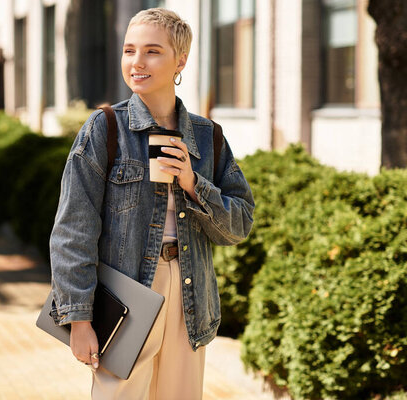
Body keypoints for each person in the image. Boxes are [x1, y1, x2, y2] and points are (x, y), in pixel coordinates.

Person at [49, 8, 254, 399]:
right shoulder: (106, 128)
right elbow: (73, 229)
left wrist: (194, 184)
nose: (136, 62)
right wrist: (77, 318)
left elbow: (239, 224)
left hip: (191, 293)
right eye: (129, 50)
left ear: (181, 60)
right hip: (125, 294)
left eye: (152, 51)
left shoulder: (208, 137)